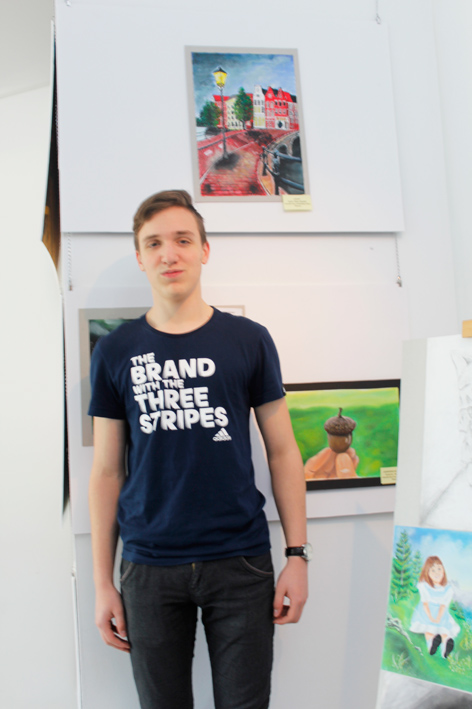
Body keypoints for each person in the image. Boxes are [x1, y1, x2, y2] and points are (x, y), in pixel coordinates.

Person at [88, 189, 310, 709]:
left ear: (205, 250)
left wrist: (297, 556)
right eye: (154, 243)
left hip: (241, 563)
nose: (169, 254)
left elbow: (283, 452)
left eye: (183, 240)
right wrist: (102, 583)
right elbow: (106, 472)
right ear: (140, 257)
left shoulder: (249, 340)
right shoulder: (115, 351)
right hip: (148, 567)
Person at [409, 555, 460, 658]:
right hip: (426, 612)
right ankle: (432, 645)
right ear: (427, 573)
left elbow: (443, 605)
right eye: (433, 570)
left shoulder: (447, 589)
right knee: (429, 630)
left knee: (444, 632)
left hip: (441, 614)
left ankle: (446, 647)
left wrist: (438, 618)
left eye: (439, 569)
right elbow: (425, 604)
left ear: (443, 570)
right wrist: (431, 617)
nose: (437, 573)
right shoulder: (424, 586)